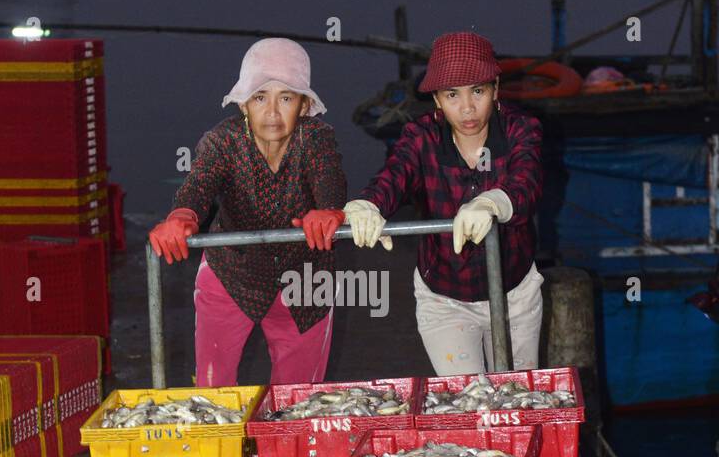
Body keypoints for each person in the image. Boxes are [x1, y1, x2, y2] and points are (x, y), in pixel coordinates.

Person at [149, 38, 347, 386]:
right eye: (260, 97)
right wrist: (182, 215)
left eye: (285, 98)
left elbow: (328, 175)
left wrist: (329, 209)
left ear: (303, 106)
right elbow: (200, 182)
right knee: (213, 389)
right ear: (243, 105)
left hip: (304, 280)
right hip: (231, 273)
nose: (271, 112)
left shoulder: (316, 137)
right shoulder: (222, 141)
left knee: (298, 396)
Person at [343, 31, 543, 374]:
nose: (467, 107)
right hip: (445, 300)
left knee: (516, 404)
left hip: (515, 297)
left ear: (495, 88)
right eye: (452, 95)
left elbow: (527, 182)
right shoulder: (421, 137)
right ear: (437, 99)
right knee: (466, 403)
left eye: (477, 91)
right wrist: (368, 205)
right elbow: (396, 173)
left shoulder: (521, 129)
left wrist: (494, 201)